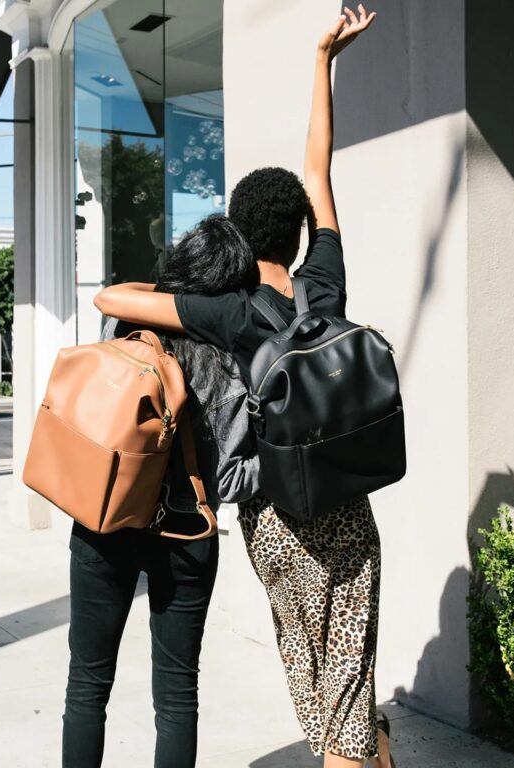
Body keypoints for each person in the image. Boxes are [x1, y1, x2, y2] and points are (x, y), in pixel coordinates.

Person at [94, 6, 393, 768]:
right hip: (345, 506)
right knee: (350, 683)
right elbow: (318, 168)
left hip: (274, 518)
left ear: (237, 231)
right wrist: (322, 60)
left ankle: (361, 749)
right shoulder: (322, 285)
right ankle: (365, 748)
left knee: (311, 674)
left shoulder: (228, 312)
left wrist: (180, 287)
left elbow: (110, 302)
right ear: (296, 234)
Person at [63, 215, 260, 768]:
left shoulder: (126, 329)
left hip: (106, 520)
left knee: (86, 686)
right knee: (177, 696)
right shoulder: (233, 360)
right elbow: (227, 481)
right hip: (186, 536)